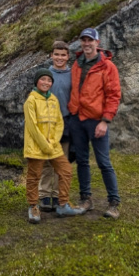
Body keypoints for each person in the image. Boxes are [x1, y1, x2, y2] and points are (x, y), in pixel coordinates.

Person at [67, 28, 123, 218]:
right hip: (77, 119)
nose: (86, 44)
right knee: (82, 161)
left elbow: (114, 96)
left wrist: (105, 121)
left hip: (96, 122)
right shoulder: (77, 63)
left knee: (103, 162)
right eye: (83, 40)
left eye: (90, 40)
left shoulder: (108, 67)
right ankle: (86, 200)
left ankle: (114, 203)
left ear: (97, 43)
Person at [24, 67, 85, 223]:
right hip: (37, 147)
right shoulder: (31, 100)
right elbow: (32, 127)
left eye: (49, 80)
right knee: (34, 177)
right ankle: (33, 207)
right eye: (43, 79)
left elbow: (59, 122)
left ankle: (62, 204)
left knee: (66, 170)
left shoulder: (54, 100)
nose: (46, 82)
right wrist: (45, 145)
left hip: (53, 146)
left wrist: (54, 141)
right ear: (37, 81)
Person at [38, 41, 76, 213]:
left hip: (66, 123)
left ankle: (58, 196)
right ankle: (44, 195)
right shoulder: (46, 74)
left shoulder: (73, 75)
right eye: (56, 54)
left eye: (63, 55)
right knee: (46, 162)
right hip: (47, 124)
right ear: (51, 55)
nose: (59, 58)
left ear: (68, 56)